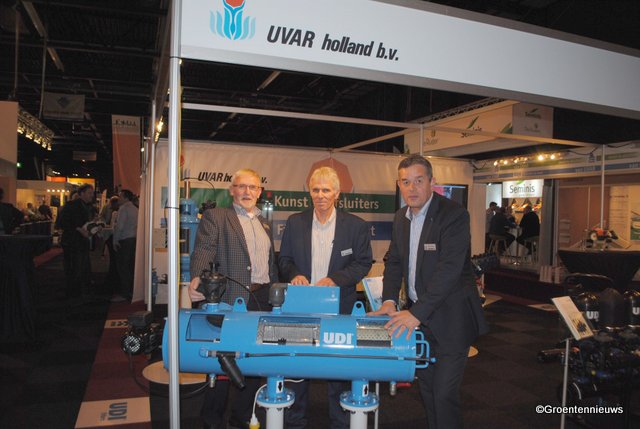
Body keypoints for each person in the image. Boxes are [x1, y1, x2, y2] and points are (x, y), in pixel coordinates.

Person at [370, 154, 488, 429]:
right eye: (405, 182)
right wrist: (389, 301)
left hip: (452, 320)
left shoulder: (454, 215)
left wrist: (415, 314)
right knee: (427, 389)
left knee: (444, 394)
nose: (412, 188)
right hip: (420, 321)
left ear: (432, 182)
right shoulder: (401, 218)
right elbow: (394, 261)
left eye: (418, 181)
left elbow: (449, 271)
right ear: (399, 185)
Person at [279, 166, 373, 429]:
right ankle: (295, 419)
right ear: (309, 192)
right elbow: (284, 259)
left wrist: (336, 279)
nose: (320, 195)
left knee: (337, 366)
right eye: (315, 190)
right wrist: (295, 274)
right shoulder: (295, 222)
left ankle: (340, 420)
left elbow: (363, 263)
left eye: (326, 190)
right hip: (302, 305)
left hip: (339, 305)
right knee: (298, 364)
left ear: (337, 193)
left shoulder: (356, 226)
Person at [188, 168, 278, 429]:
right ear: (232, 190)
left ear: (259, 192)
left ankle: (242, 417)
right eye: (241, 186)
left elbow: (270, 264)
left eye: (253, 187)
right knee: (222, 362)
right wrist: (198, 278)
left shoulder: (264, 222)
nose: (247, 192)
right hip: (229, 298)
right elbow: (204, 250)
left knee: (253, 360)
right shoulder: (217, 216)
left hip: (262, 299)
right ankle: (211, 421)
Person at [58, 184, 95, 298]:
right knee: (74, 267)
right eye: (89, 193)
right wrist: (79, 229)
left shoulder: (89, 206)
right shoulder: (71, 205)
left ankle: (80, 291)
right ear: (82, 193)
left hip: (82, 241)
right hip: (72, 242)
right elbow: (62, 222)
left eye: (92, 193)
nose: (92, 195)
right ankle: (73, 293)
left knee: (82, 267)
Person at [112, 190, 138, 302]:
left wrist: (115, 240)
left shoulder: (123, 209)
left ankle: (124, 293)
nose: (119, 198)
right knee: (130, 267)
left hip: (124, 240)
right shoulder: (135, 209)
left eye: (120, 196)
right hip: (133, 239)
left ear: (126, 197)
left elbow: (120, 226)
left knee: (123, 267)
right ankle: (130, 291)